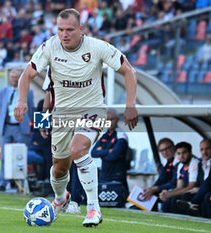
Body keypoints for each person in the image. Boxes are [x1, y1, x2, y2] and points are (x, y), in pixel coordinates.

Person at [14, 8, 138, 227]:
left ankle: (93, 209)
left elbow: (128, 70)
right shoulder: (49, 48)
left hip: (92, 110)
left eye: (70, 29)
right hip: (62, 115)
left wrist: (130, 105)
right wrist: (23, 102)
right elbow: (29, 76)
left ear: (81, 29)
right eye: (60, 30)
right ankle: (61, 199)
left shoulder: (97, 47)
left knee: (78, 149)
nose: (64, 34)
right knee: (59, 169)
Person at [0, 69, 34, 192]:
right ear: (9, 78)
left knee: (21, 155)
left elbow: (30, 109)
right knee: (4, 155)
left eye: (16, 77)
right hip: (7, 126)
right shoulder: (3, 92)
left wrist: (31, 126)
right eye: (12, 77)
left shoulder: (28, 92)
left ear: (20, 78)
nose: (14, 79)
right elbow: (0, 108)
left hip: (20, 127)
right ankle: (3, 181)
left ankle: (21, 183)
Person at [176, 138, 211, 216]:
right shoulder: (201, 163)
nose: (204, 152)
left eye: (207, 149)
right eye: (202, 149)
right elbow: (199, 181)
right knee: (186, 195)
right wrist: (197, 189)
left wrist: (201, 189)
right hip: (202, 190)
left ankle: (194, 203)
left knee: (209, 183)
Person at [91, 108, 130, 199]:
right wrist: (108, 151)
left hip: (117, 176)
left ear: (117, 120)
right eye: (107, 120)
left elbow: (113, 156)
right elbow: (93, 153)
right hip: (104, 176)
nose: (109, 122)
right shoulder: (104, 135)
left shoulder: (121, 135)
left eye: (112, 119)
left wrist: (102, 153)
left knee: (119, 202)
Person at [159, 142, 202, 213]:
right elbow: (179, 186)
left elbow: (191, 187)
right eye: (179, 153)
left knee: (176, 199)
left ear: (190, 152)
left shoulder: (195, 163)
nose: (181, 156)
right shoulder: (180, 165)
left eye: (184, 153)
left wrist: (170, 194)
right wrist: (168, 193)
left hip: (195, 192)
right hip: (186, 191)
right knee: (167, 200)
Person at [142, 138, 177, 206]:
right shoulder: (166, 163)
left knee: (165, 198)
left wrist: (155, 189)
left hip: (179, 190)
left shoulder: (180, 161)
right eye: (162, 150)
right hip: (168, 189)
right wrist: (150, 189)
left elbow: (174, 183)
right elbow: (161, 179)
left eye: (167, 148)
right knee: (150, 194)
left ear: (174, 147)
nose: (165, 152)